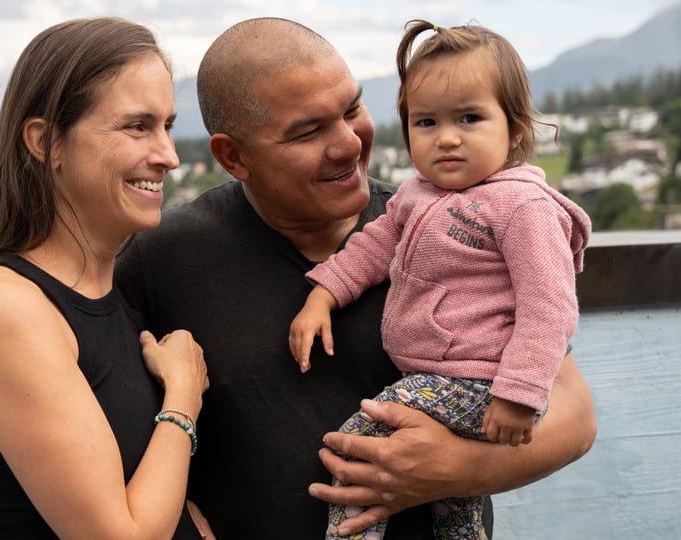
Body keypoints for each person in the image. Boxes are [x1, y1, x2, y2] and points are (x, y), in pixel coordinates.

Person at [115, 17, 596, 540]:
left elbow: (574, 419)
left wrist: (453, 471)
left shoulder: (448, 225)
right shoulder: (160, 258)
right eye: (309, 131)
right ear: (234, 156)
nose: (348, 143)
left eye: (352, 110)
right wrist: (182, 520)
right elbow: (105, 427)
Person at [288, 20, 592, 540]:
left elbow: (550, 307)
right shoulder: (416, 195)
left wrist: (517, 394)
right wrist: (323, 294)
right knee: (455, 503)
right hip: (450, 382)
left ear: (515, 129)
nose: (446, 138)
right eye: (426, 122)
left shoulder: (522, 208)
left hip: (482, 387)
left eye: (470, 118)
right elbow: (373, 246)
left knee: (364, 439)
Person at [0, 17, 211, 539]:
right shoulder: (8, 312)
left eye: (167, 125)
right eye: (137, 126)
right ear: (46, 141)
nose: (168, 155)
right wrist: (183, 399)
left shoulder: (103, 291)